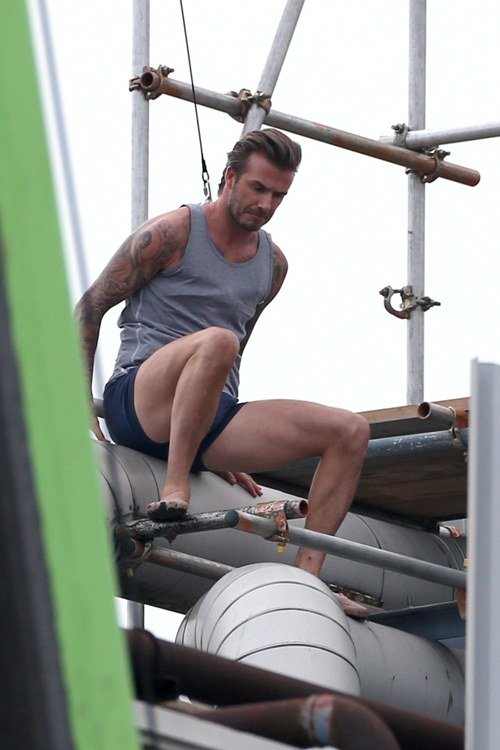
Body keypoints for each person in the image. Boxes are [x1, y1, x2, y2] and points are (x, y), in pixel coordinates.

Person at [76, 128, 370, 616]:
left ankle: (307, 579)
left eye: (279, 195)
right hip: (141, 401)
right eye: (258, 188)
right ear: (230, 177)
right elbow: (89, 308)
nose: (267, 204)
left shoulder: (273, 265)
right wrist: (80, 404)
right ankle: (176, 486)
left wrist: (217, 435)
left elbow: (238, 351)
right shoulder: (171, 233)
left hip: (206, 416)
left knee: (350, 430)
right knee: (217, 340)